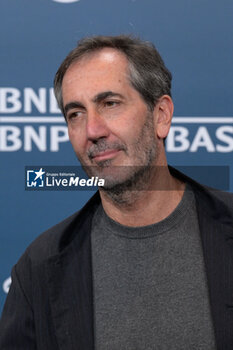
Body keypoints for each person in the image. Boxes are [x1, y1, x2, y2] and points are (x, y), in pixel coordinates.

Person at [0, 35, 232, 350]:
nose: (92, 130)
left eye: (109, 104)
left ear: (160, 116)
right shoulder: (39, 269)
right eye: (75, 114)